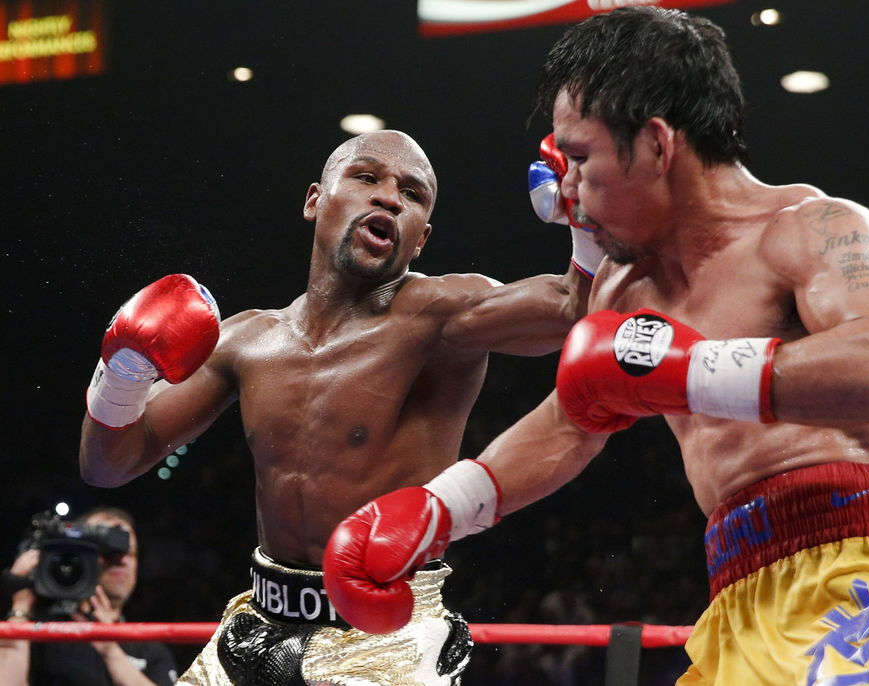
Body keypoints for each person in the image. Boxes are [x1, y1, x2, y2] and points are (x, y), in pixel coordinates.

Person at [322, 9, 869, 685]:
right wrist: (437, 508)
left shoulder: (806, 228)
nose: (567, 190)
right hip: (736, 597)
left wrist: (693, 372)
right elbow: (571, 422)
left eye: (581, 158)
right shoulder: (623, 287)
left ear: (657, 144)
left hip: (859, 579)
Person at [78, 129, 595, 685]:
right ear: (314, 200)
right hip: (257, 623)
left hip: (388, 636)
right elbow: (108, 465)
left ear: (420, 239)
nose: (389, 197)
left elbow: (575, 307)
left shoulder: (441, 315)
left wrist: (587, 221)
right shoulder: (246, 342)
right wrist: (122, 375)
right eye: (366, 177)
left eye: (412, 194)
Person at [0, 506, 178, 686]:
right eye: (109, 551)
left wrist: (110, 650)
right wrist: (20, 606)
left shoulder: (148, 647)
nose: (122, 560)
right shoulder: (43, 631)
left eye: (130, 553)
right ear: (78, 552)